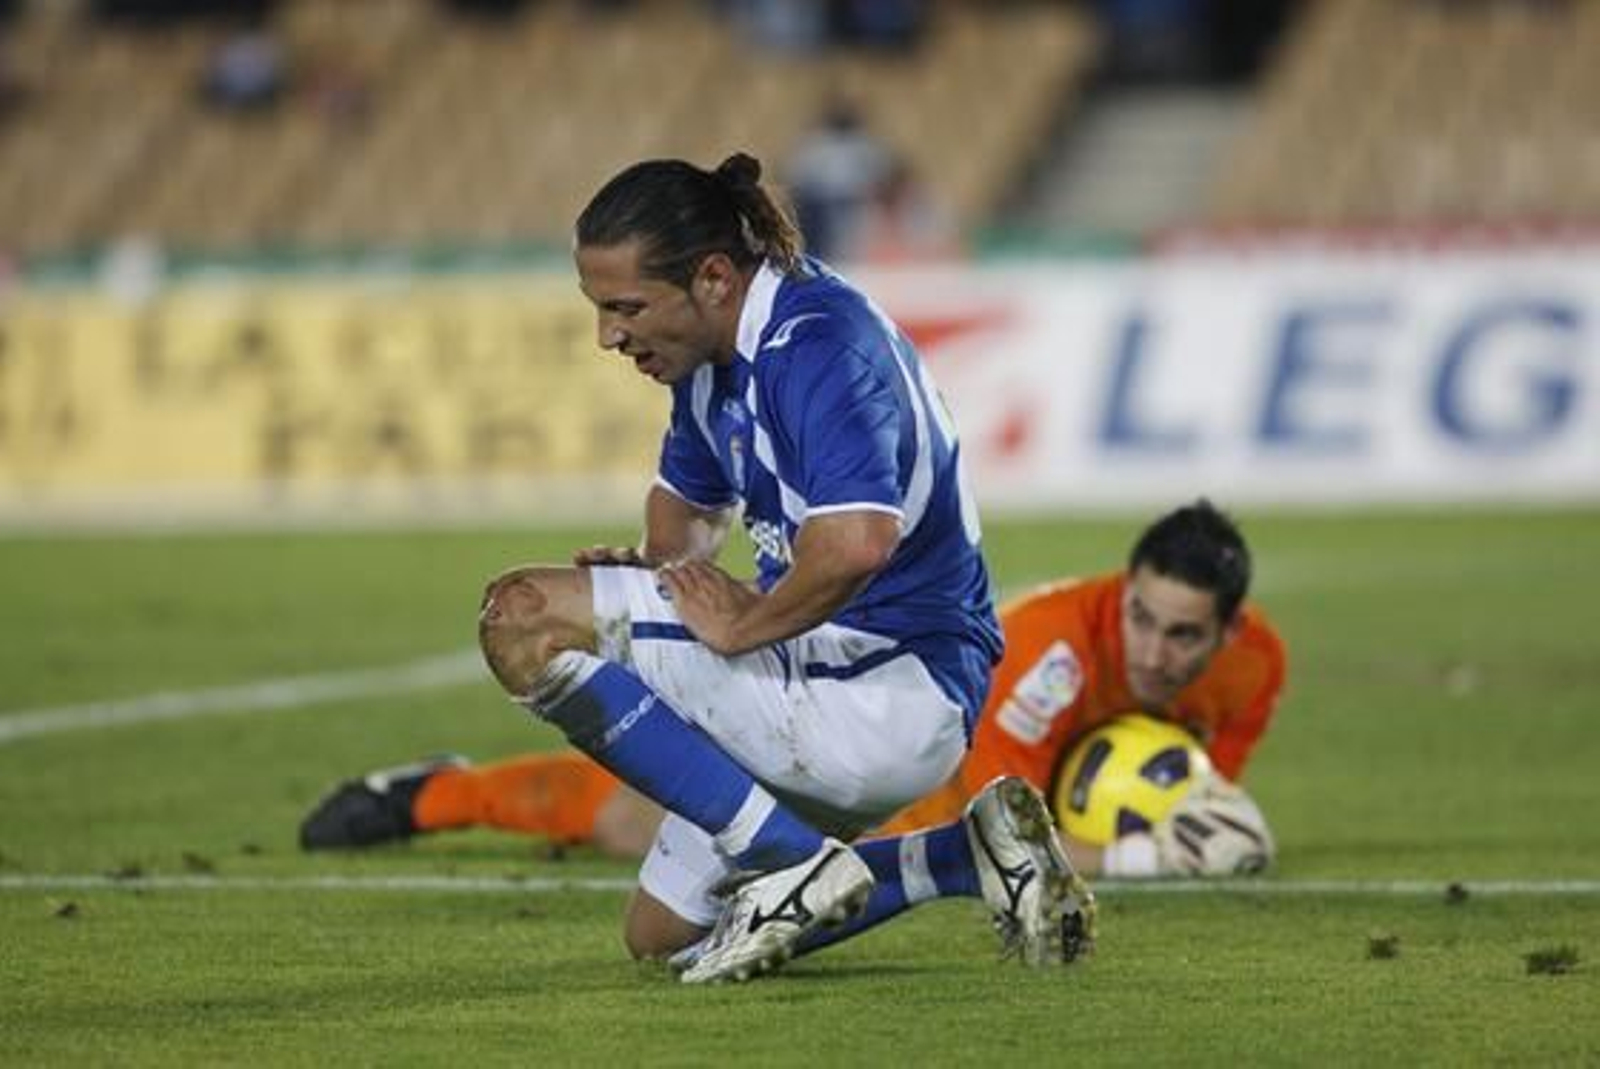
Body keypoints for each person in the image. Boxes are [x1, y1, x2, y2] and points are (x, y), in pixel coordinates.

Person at [463, 153, 1090, 983]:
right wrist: (652, 574)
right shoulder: (711, 359)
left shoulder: (818, 344)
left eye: (625, 308)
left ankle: (793, 859)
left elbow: (858, 541)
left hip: (887, 685)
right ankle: (961, 857)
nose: (608, 336)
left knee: (524, 615)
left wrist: (740, 621)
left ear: (713, 277)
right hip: (832, 674)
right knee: (664, 937)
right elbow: (686, 512)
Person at [308, 500, 1285, 878]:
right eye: (1141, 618)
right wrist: (1147, 860)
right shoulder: (1046, 652)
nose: (1154, 650)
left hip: (910, 781)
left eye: (1182, 633)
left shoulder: (1259, 667)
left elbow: (1192, 790)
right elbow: (1003, 819)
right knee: (637, 825)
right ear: (1121, 592)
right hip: (887, 763)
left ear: (1230, 631)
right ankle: (442, 793)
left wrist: (1199, 821)